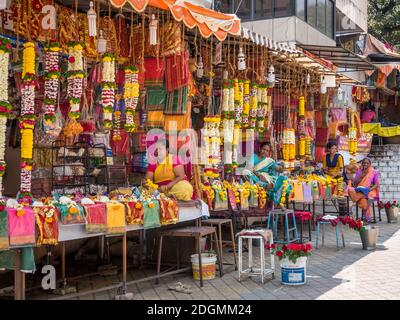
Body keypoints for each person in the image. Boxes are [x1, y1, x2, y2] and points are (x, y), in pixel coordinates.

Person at [347, 158, 380, 223]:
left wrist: (367, 190)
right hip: (359, 190)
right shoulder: (359, 171)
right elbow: (355, 183)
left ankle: (356, 198)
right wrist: (361, 177)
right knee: (350, 190)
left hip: (370, 190)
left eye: (367, 163)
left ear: (370, 164)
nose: (365, 164)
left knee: (363, 198)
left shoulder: (374, 172)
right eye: (364, 163)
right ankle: (367, 218)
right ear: (362, 164)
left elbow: (376, 184)